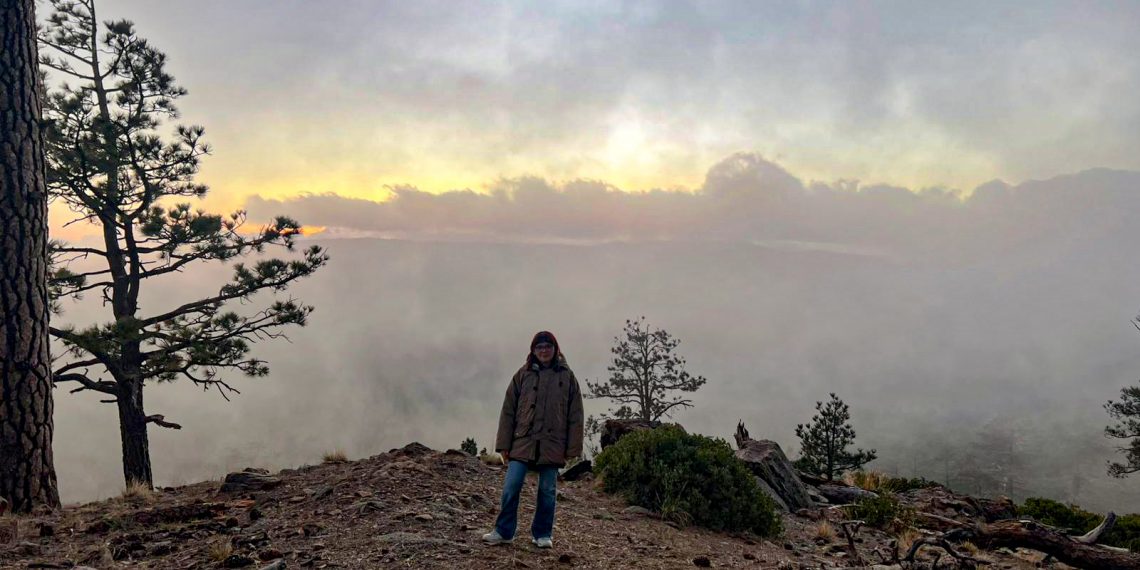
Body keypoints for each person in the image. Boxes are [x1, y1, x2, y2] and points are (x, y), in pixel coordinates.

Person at [483, 331, 584, 549]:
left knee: (547, 491)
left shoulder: (567, 377)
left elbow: (575, 415)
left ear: (555, 348)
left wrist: (572, 449)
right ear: (533, 350)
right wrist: (503, 445)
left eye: (548, 346)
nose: (544, 350)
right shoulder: (523, 374)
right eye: (539, 347)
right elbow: (508, 410)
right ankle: (503, 531)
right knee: (511, 486)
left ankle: (542, 534)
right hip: (522, 442)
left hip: (552, 445)